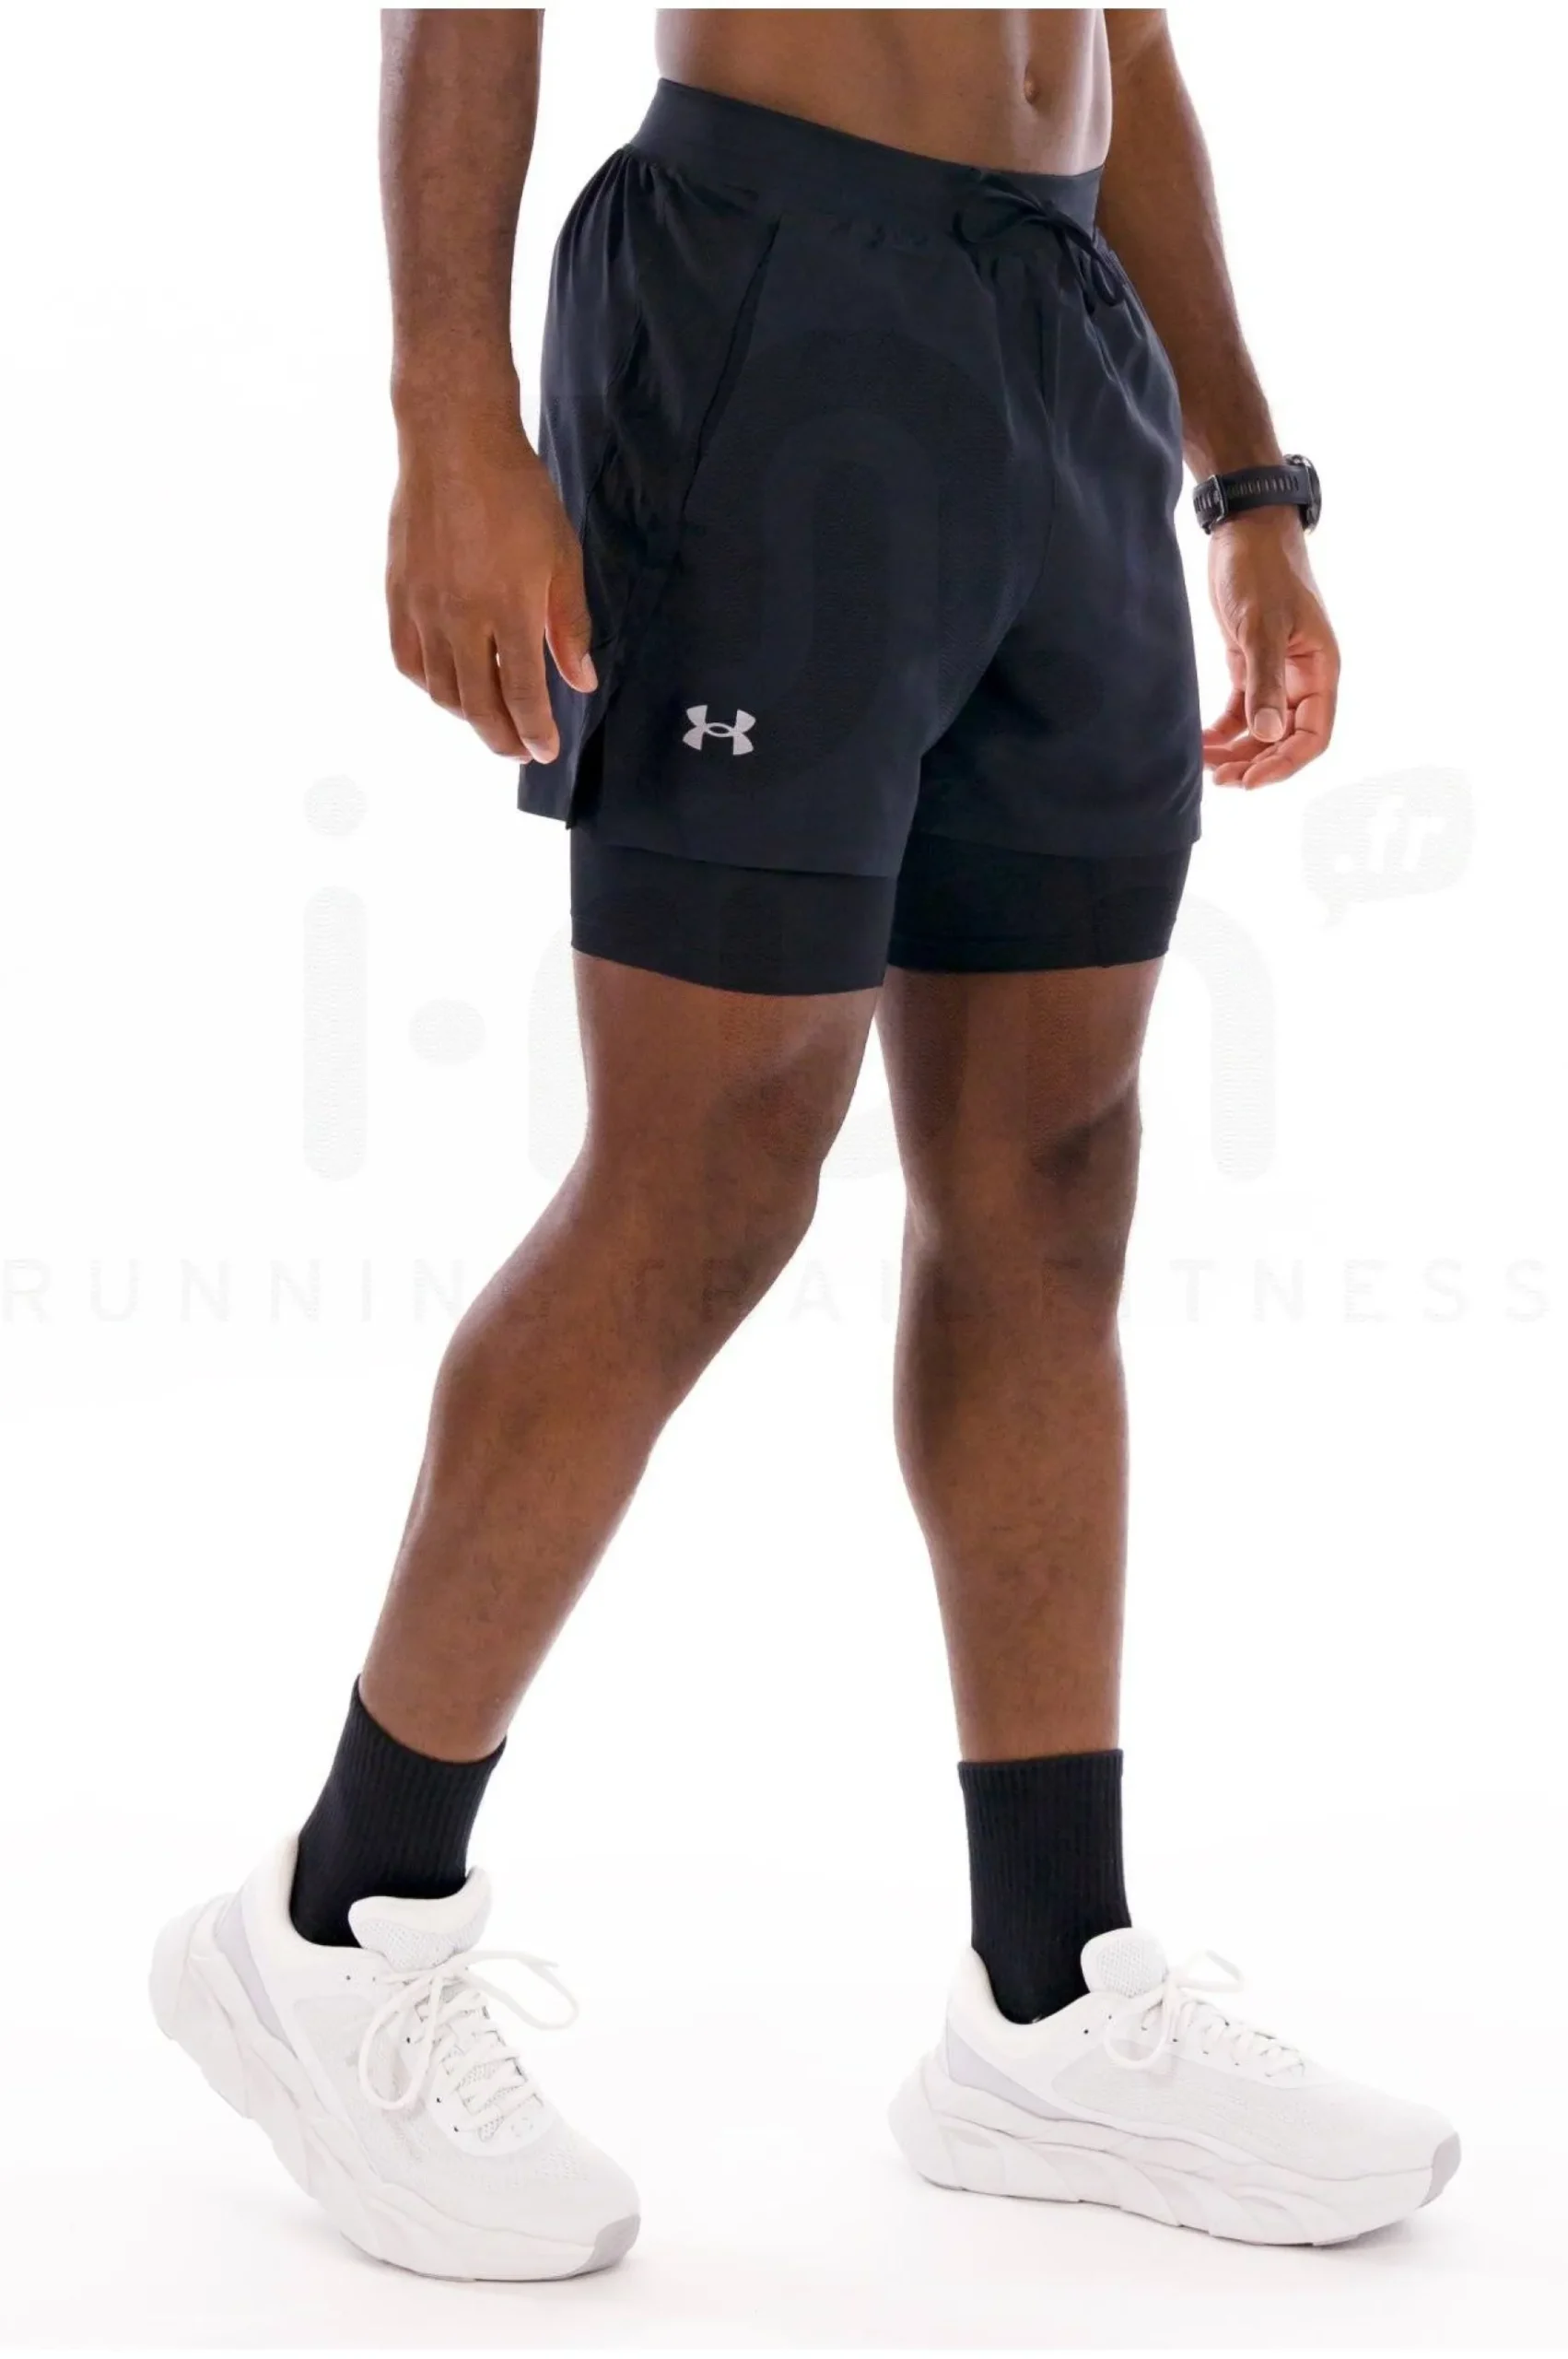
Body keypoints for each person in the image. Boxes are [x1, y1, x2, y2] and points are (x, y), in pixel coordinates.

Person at [151, 8, 1457, 2276]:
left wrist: (1244, 484)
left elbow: (1122, 28)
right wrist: (449, 415)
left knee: (1051, 1179)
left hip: (1061, 332)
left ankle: (1045, 1991)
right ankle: (336, 1916)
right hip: (766, 303)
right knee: (708, 1174)